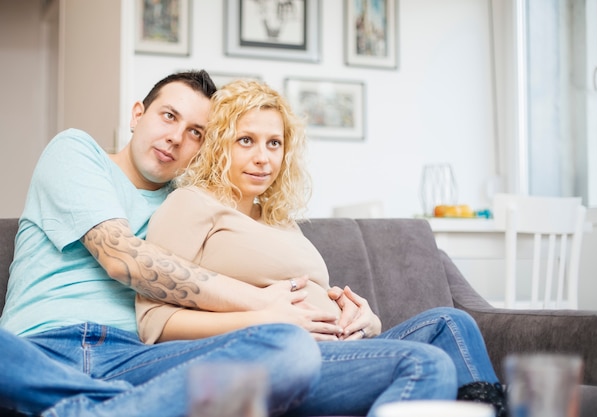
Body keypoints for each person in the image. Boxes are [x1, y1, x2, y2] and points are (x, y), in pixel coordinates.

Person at [136, 79, 508, 417]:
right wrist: (265, 319)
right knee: (428, 363)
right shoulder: (191, 204)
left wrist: (364, 321)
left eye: (274, 143)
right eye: (245, 140)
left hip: (339, 346)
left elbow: (315, 293)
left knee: (451, 322)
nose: (263, 157)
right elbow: (153, 321)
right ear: (218, 145)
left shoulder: (279, 218)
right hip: (282, 356)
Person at [0, 70, 323, 417]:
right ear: (138, 115)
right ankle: (129, 405)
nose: (175, 138)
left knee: (289, 353)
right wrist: (261, 304)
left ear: (205, 147)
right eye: (169, 116)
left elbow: (258, 270)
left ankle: (104, 408)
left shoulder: (191, 205)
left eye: (195, 132)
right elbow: (121, 257)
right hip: (38, 348)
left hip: (138, 359)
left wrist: (342, 304)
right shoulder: (76, 151)